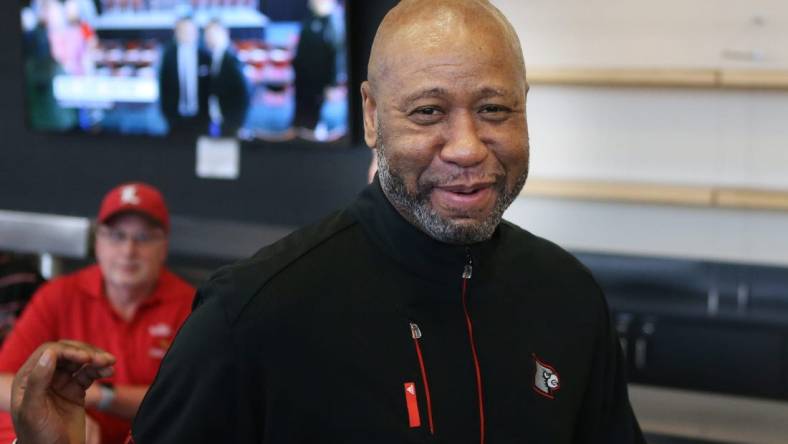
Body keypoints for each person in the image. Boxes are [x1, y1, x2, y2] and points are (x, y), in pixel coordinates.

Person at [11, 1, 646, 443]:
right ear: (371, 116)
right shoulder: (254, 313)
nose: (467, 146)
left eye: (494, 108)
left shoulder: (569, 297)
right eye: (427, 112)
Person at [0, 183, 195, 444]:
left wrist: (103, 397)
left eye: (143, 238)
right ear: (98, 242)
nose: (128, 251)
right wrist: (58, 417)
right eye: (116, 235)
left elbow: (194, 402)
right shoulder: (58, 295)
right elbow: (3, 382)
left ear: (164, 247)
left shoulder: (191, 306)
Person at [158, 16, 212, 138]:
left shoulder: (205, 55)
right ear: (176, 33)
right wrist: (168, 115)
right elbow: (163, 87)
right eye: (182, 30)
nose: (187, 34)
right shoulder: (168, 56)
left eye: (190, 30)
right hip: (175, 119)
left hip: (201, 119)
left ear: (196, 32)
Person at [204, 19, 250, 137]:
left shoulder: (231, 59)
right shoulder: (212, 56)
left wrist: (236, 124)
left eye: (213, 33)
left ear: (224, 33)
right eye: (207, 33)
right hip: (219, 119)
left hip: (231, 122)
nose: (209, 37)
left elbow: (244, 94)